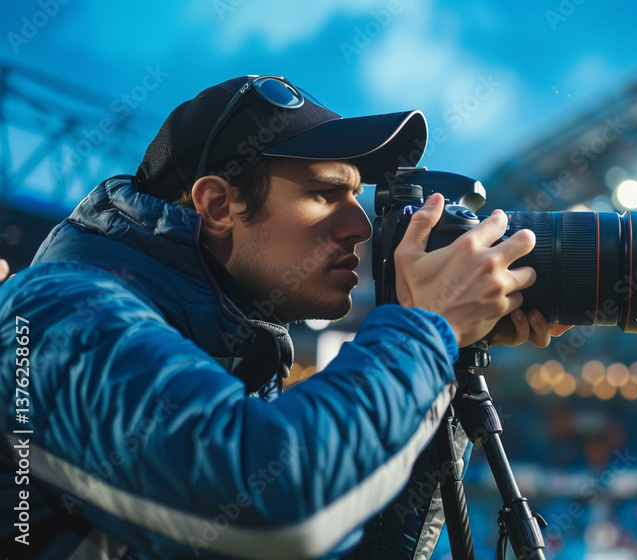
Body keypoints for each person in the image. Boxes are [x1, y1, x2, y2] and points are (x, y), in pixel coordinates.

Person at [0, 75, 568, 559]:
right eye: (326, 195)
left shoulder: (229, 346)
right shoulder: (57, 314)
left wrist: (443, 361)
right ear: (218, 205)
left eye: (357, 198)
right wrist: (426, 331)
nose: (362, 227)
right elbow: (274, 513)